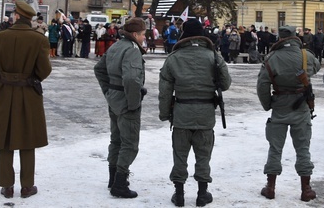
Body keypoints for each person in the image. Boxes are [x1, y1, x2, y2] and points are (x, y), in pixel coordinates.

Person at [158, 18, 231, 207]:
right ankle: (202, 194)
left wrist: (165, 114)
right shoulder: (213, 56)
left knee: (180, 155)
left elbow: (165, 92)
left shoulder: (173, 58)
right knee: (203, 155)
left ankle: (179, 194)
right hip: (206, 113)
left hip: (181, 113)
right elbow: (226, 83)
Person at [0, 0, 51, 200]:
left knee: (5, 142)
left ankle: (6, 186)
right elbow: (45, 70)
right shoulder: (39, 39)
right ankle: (27, 186)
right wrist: (32, 78)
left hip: (3, 91)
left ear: (15, 16)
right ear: (29, 18)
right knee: (27, 140)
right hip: (28, 93)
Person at [257, 25, 320, 201]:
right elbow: (316, 68)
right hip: (301, 107)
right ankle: (306, 189)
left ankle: (270, 187)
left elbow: (262, 84)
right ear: (294, 37)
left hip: (280, 107)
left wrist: (268, 104)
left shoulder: (272, 58)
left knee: (275, 148)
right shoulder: (306, 56)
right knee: (303, 148)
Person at [94, 17, 147, 199]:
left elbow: (99, 69)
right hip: (126, 101)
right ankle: (119, 183)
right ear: (134, 34)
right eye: (142, 34)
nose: (143, 38)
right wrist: (133, 103)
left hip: (114, 99)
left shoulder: (116, 46)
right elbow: (132, 80)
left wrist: (108, 92)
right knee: (129, 143)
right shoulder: (131, 50)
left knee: (116, 140)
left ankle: (112, 178)